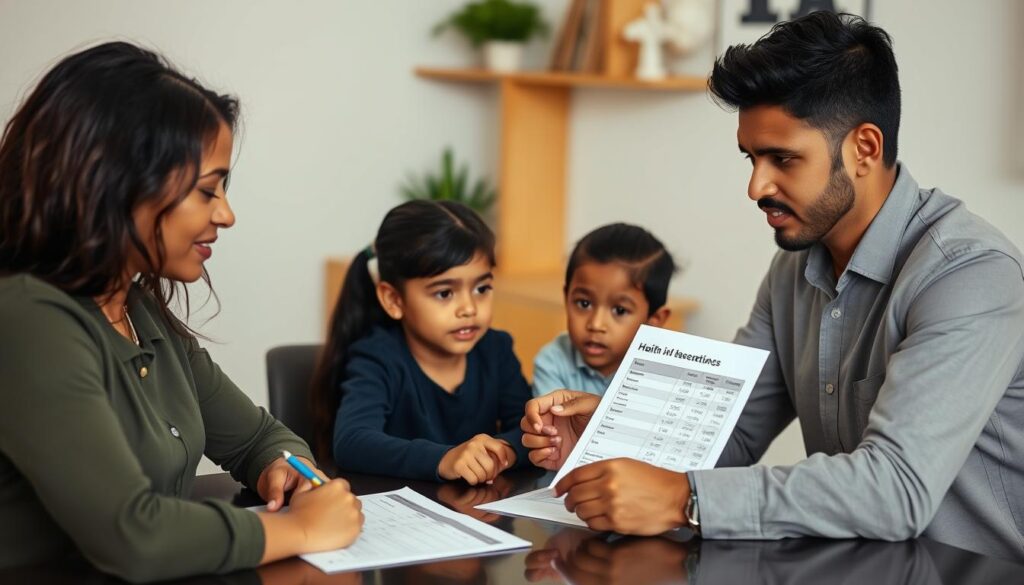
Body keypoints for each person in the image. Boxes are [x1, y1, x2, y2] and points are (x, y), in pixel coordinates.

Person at [520, 11, 1024, 562]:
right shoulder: (795, 267)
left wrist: (685, 498)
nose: (757, 186)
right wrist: (609, 436)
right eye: (752, 157)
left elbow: (896, 489)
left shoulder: (971, 274)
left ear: (865, 148)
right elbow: (727, 435)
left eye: (782, 159)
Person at [0, 42, 363, 581]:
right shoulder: (28, 319)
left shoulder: (138, 309)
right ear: (115, 184)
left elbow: (258, 437)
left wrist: (284, 471)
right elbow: (134, 536)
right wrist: (302, 529)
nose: (227, 214)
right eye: (207, 190)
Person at [311, 200, 532, 485]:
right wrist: (444, 459)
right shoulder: (376, 357)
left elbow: (530, 431)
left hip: (476, 514)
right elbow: (352, 441)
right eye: (444, 293)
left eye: (482, 288)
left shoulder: (496, 350)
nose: (469, 308)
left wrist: (506, 450)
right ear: (393, 300)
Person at [532, 223, 674, 398]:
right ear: (566, 297)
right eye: (584, 304)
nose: (596, 324)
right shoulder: (553, 361)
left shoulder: (666, 372)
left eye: (620, 310)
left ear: (655, 320)